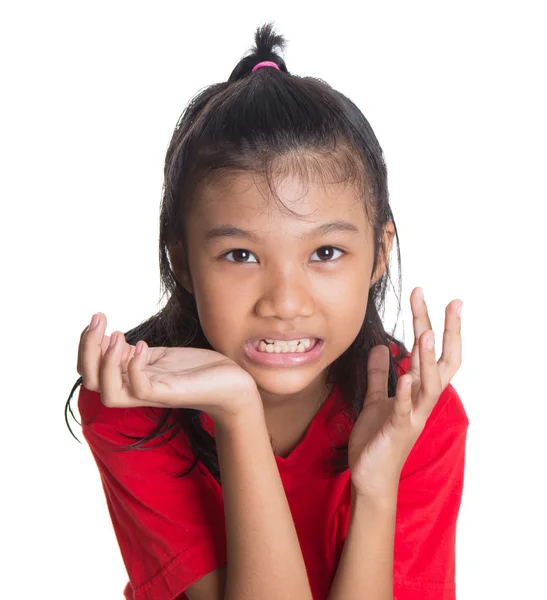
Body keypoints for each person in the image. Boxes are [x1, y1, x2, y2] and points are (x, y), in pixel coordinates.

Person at [65, 22, 469, 600]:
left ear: (380, 254)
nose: (284, 303)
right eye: (241, 254)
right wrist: (238, 411)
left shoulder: (420, 414)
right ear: (181, 261)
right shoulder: (133, 403)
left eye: (326, 253)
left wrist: (376, 486)